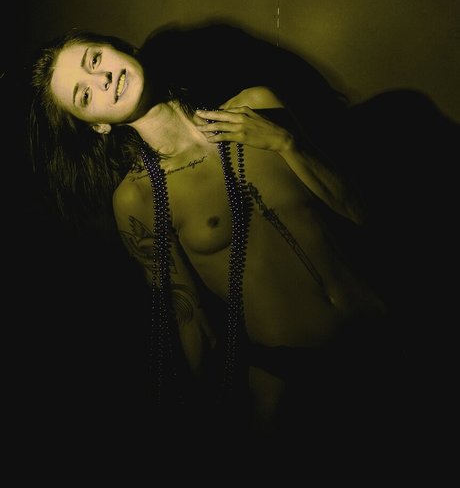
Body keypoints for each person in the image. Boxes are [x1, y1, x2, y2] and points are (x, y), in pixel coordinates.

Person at [28, 22, 447, 439]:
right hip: (289, 378)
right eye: (84, 95)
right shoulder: (137, 198)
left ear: (121, 47)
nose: (102, 80)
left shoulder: (258, 104)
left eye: (95, 59)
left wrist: (286, 143)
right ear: (97, 126)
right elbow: (193, 326)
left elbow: (360, 214)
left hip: (387, 337)